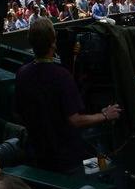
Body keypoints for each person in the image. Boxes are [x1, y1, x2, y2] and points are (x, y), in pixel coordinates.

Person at [15, 17, 119, 174]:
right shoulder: (61, 76)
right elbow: (75, 120)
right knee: (109, 164)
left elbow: (19, 112)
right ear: (53, 42)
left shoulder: (22, 73)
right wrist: (104, 115)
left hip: (38, 154)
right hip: (68, 160)